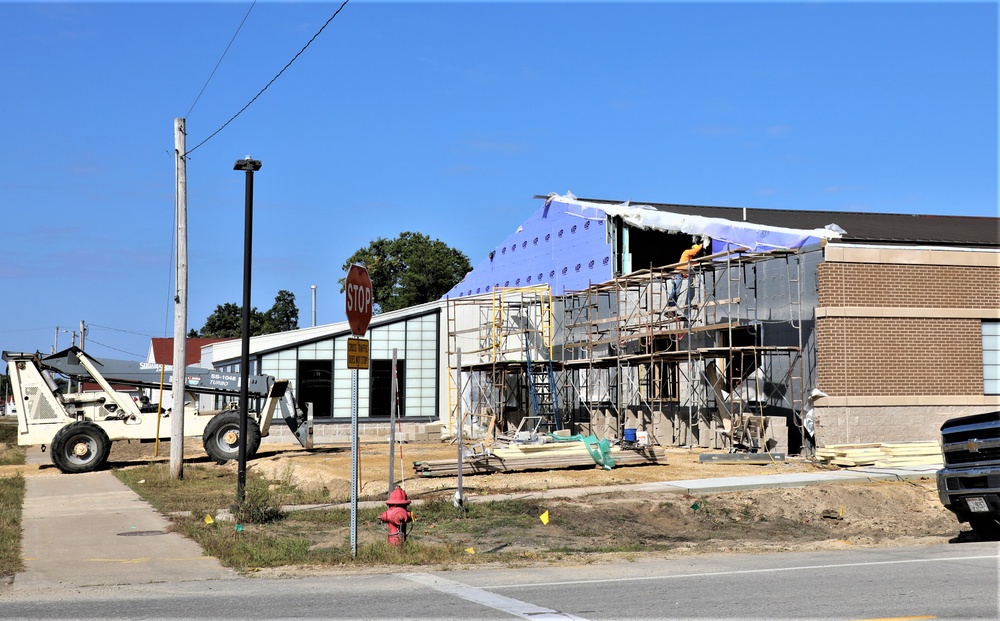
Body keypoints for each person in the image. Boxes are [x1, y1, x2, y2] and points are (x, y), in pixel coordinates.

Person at [669, 243, 703, 307]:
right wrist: (701, 245)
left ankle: (671, 309)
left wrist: (685, 274)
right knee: (676, 291)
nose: (696, 253)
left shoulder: (690, 259)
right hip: (677, 273)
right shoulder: (686, 252)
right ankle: (671, 309)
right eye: (697, 252)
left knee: (675, 291)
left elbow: (688, 266)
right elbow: (695, 251)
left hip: (679, 274)